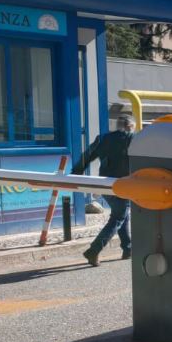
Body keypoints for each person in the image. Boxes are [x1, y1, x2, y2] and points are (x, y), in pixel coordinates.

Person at [72, 114, 134, 266]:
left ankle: (128, 249)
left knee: (122, 214)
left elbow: (87, 155)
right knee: (118, 217)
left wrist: (76, 172)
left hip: (105, 184)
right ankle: (93, 250)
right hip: (124, 184)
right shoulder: (133, 139)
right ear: (130, 126)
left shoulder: (103, 138)